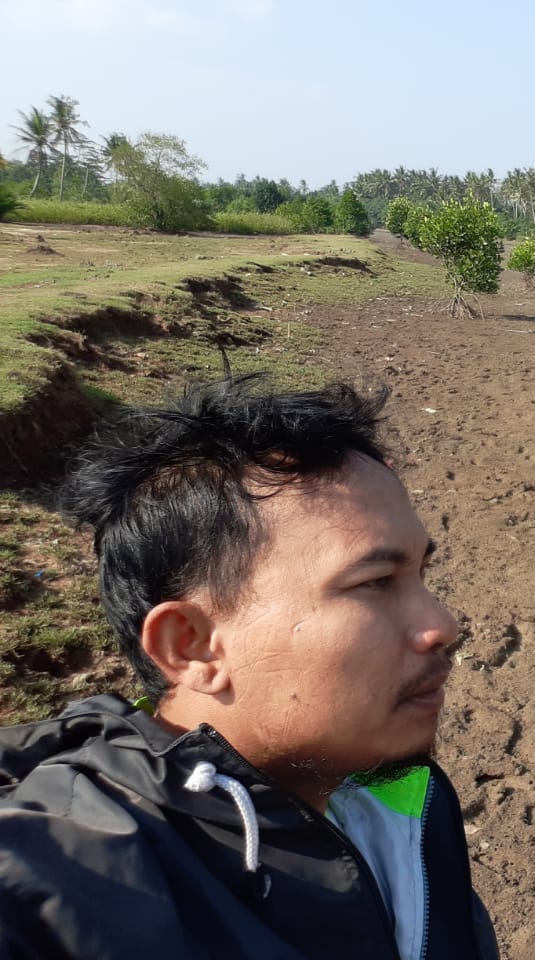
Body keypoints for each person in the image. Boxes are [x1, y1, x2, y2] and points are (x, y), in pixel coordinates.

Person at [0, 374, 499, 960]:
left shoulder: (402, 799)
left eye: (421, 574)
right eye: (376, 583)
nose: (443, 625)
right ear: (192, 647)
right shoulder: (60, 878)